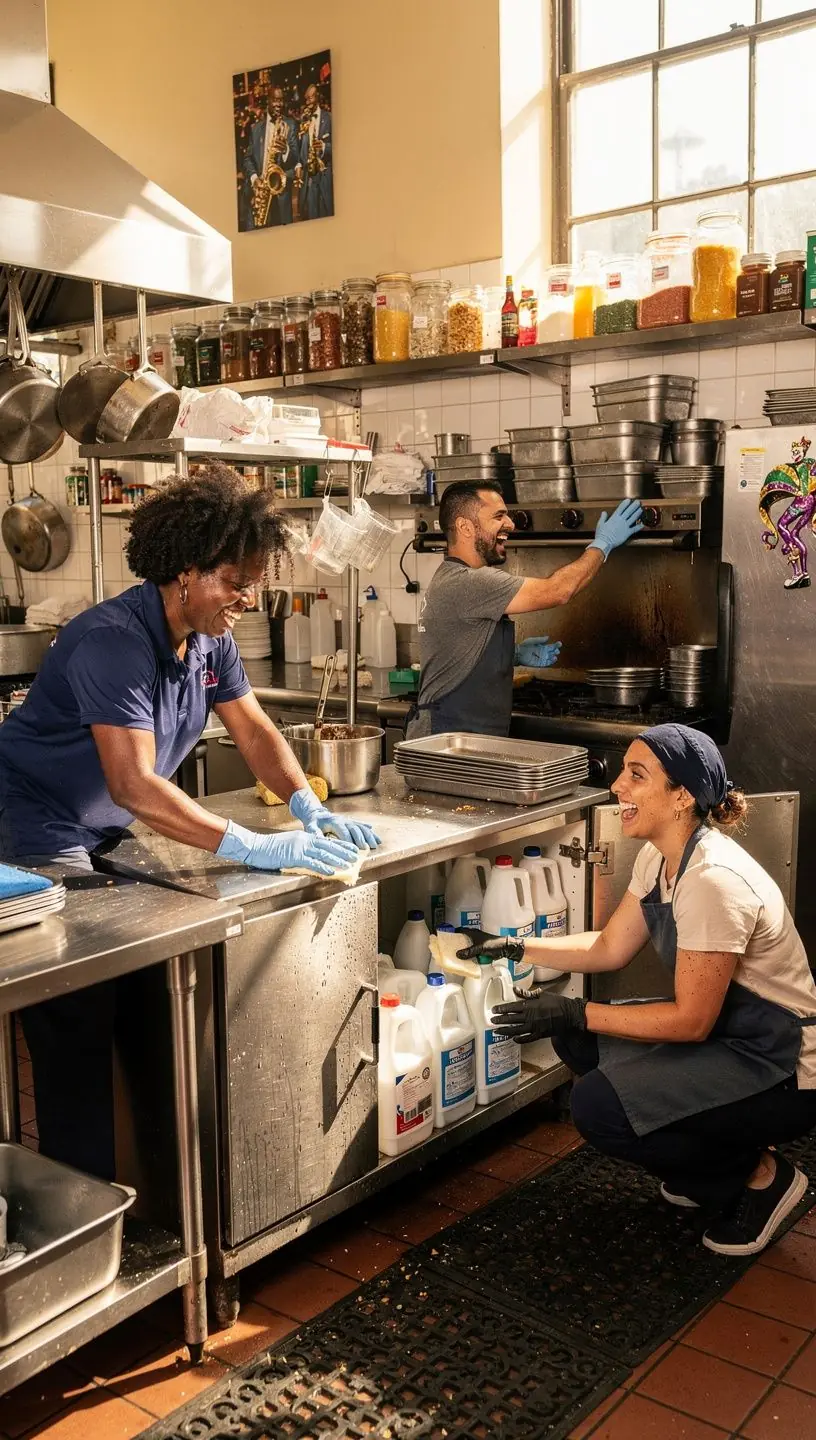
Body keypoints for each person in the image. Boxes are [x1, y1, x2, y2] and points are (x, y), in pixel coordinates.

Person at [0, 464, 380, 1178]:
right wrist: (251, 844)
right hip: (32, 826)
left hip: (103, 826)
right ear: (184, 571)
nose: (249, 597)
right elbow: (136, 784)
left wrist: (309, 806)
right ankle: (79, 1201)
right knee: (76, 1008)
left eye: (253, 581)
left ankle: (158, 1184)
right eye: (237, 581)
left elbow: (258, 733)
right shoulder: (111, 642)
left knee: (148, 988)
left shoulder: (210, 640)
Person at [461, 724, 816, 1256]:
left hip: (783, 1064)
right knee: (581, 1045)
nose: (617, 788)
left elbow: (690, 1021)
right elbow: (608, 948)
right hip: (732, 1033)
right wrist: (511, 947)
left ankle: (760, 1177)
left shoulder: (713, 880)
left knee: (599, 1106)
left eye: (637, 775)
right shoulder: (661, 857)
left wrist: (578, 1011)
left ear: (682, 797)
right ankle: (701, 1157)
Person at [408, 481, 643, 737]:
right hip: (447, 741)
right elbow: (558, 591)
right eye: (499, 516)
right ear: (465, 526)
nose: (510, 524)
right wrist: (603, 544)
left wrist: (512, 654)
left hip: (463, 738)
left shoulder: (451, 578)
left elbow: (456, 650)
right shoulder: (468, 582)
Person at [244, 86, 300, 228]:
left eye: (281, 100)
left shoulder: (291, 125)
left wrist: (286, 149)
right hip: (260, 192)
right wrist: (254, 179)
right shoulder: (255, 129)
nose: (278, 104)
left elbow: (296, 158)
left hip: (280, 195)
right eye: (275, 100)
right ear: (268, 101)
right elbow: (247, 159)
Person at [298, 83, 333, 220]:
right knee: (312, 216)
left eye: (311, 98)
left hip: (325, 174)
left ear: (317, 97)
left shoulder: (329, 117)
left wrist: (324, 147)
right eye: (306, 99)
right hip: (310, 176)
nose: (308, 102)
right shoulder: (304, 120)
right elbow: (301, 151)